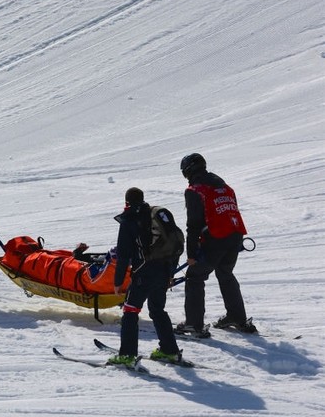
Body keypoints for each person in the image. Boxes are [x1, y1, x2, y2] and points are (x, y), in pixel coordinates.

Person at [174, 153, 256, 337]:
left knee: (194, 277)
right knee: (225, 273)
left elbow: (193, 225)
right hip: (235, 237)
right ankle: (237, 317)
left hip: (215, 239)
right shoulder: (225, 187)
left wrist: (192, 254)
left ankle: (193, 325)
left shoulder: (196, 190)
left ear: (187, 171)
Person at [108, 187, 182, 366]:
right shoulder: (154, 215)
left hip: (144, 272)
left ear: (126, 202)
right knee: (157, 310)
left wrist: (118, 282)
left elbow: (124, 255)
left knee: (130, 310)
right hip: (164, 270)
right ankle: (169, 351)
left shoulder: (129, 221)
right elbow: (174, 244)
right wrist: (170, 273)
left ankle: (127, 356)